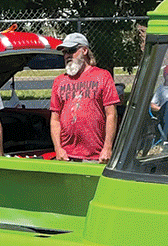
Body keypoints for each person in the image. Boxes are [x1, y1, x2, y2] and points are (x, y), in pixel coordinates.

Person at [49, 32, 119, 163]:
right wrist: (58, 148)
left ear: (85, 50)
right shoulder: (59, 81)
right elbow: (55, 119)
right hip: (67, 156)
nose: (67, 55)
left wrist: (108, 148)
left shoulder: (103, 76)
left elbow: (111, 114)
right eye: (64, 52)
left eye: (72, 50)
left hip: (96, 156)